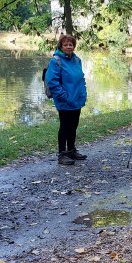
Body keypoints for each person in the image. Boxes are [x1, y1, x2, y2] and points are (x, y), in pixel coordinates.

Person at [45, 34, 88, 166]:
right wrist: (64, 96)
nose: (69, 47)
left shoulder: (77, 60)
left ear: (74, 46)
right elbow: (52, 82)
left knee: (73, 126)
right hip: (65, 101)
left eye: (71, 44)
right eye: (66, 45)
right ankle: (62, 154)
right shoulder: (56, 61)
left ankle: (71, 150)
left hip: (77, 100)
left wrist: (83, 93)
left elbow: (81, 78)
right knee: (64, 127)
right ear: (61, 46)